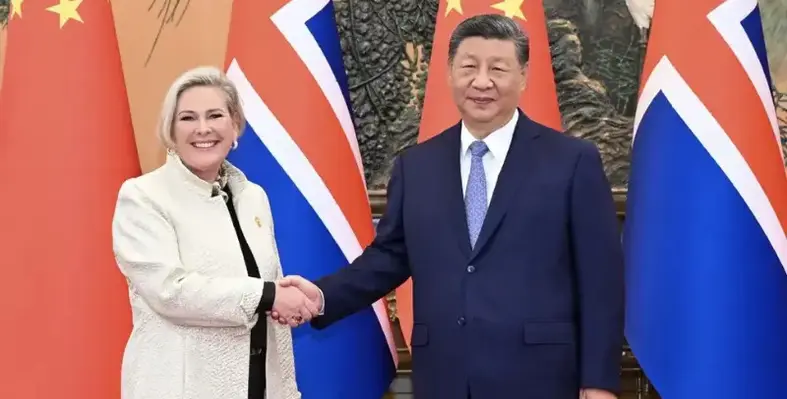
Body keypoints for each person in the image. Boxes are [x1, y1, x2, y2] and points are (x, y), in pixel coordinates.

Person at [275, 14, 624, 399]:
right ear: (449, 73)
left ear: (524, 76)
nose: (482, 82)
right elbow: (389, 257)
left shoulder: (572, 161)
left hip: (540, 378)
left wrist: (599, 382)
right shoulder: (416, 165)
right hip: (444, 377)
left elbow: (601, 280)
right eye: (469, 67)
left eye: (498, 69)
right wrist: (321, 296)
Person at [111, 66, 316, 399]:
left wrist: (288, 299)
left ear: (235, 125)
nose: (203, 128)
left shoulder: (253, 197)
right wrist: (268, 295)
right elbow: (170, 292)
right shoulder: (143, 196)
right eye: (188, 118)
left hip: (259, 385)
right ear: (170, 131)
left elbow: (268, 288)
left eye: (215, 115)